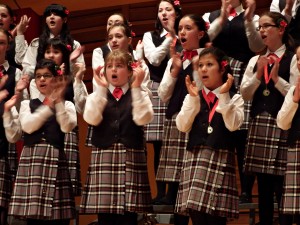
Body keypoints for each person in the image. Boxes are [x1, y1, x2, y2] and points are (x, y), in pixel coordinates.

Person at [80, 49, 153, 225]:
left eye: (119, 66)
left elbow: (143, 118)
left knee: (129, 216)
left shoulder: (140, 93)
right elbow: (91, 118)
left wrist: (136, 88)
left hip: (130, 157)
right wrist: (101, 91)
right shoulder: (96, 95)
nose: (113, 70)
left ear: (130, 71)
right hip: (104, 157)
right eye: (109, 66)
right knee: (105, 217)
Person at [203, 0, 265, 203]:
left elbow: (257, 46)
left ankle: (245, 190)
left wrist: (247, 20)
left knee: (242, 133)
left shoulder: (253, 17)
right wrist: (221, 15)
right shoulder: (208, 16)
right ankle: (216, 187)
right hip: (214, 76)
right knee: (216, 129)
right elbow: (205, 39)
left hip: (243, 74)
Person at [175, 46, 244, 225]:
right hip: (195, 158)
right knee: (196, 215)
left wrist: (224, 96)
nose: (203, 69)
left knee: (215, 219)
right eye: (201, 65)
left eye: (209, 64)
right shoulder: (194, 95)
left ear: (222, 68)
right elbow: (182, 126)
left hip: (220, 157)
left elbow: (233, 124)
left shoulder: (234, 98)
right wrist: (192, 99)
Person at [240, 11, 297, 225]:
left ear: (281, 29)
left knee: (281, 183)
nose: (261, 31)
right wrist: (257, 75)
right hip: (259, 125)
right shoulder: (255, 60)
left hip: (282, 123)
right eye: (259, 27)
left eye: (266, 26)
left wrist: (276, 80)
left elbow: (295, 93)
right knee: (263, 184)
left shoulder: (292, 59)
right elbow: (245, 94)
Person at [8, 59, 77, 225]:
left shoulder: (67, 104)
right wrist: (47, 105)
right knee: (34, 218)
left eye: (47, 75)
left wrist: (58, 102)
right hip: (32, 161)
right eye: (38, 76)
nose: (42, 80)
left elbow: (67, 126)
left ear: (56, 78)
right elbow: (28, 126)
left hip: (55, 159)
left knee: (58, 217)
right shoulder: (27, 104)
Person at [157, 13, 210, 225]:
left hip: (195, 122)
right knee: (176, 183)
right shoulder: (176, 58)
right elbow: (163, 95)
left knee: (189, 181)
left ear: (200, 33)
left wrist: (197, 67)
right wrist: (175, 69)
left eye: (188, 28)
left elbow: (203, 91)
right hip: (174, 121)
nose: (182, 33)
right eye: (180, 28)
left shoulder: (207, 57)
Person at [28, 37, 83, 196]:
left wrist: (74, 77)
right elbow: (37, 103)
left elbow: (79, 106)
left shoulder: (71, 77)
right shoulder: (36, 81)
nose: (51, 55)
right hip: (44, 128)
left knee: (64, 185)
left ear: (63, 55)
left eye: (56, 52)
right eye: (47, 51)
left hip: (65, 127)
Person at [142, 0, 182, 204]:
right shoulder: (150, 36)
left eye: (168, 9)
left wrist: (176, 34)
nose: (164, 13)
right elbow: (155, 59)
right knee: (158, 145)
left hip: (180, 90)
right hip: (158, 89)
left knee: (175, 144)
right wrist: (170, 37)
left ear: (177, 12)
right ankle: (161, 193)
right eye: (160, 10)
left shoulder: (185, 32)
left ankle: (174, 194)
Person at [0, 28, 24, 225]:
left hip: (4, 138)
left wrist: (17, 94)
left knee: (2, 201)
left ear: (7, 46)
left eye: (1, 42)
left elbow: (19, 110)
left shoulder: (16, 73)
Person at [15, 3, 85, 71]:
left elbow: (80, 71)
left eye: (56, 14)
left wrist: (70, 63)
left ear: (64, 20)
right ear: (45, 20)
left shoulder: (74, 44)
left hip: (65, 81)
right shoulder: (37, 43)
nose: (51, 17)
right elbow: (25, 66)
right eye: (48, 15)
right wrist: (20, 33)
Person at [277, 46, 300, 225]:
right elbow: (282, 123)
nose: (299, 63)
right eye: (298, 59)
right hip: (297, 149)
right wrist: (294, 100)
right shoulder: (294, 90)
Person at [0, 4, 30, 69]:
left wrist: (20, 32)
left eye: (4, 16)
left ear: (11, 20)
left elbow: (21, 61)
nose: (0, 18)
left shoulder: (17, 41)